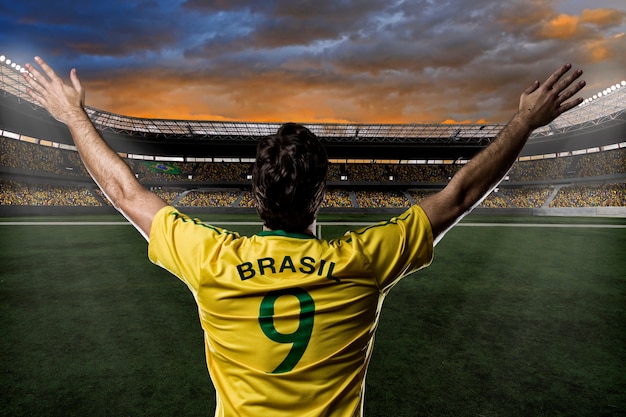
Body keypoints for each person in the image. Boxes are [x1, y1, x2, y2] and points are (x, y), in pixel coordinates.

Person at [23, 56, 585, 416]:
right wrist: (524, 123)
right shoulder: (363, 260)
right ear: (321, 194)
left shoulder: (212, 259)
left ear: (254, 194)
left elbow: (124, 192)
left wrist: (73, 116)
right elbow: (459, 194)